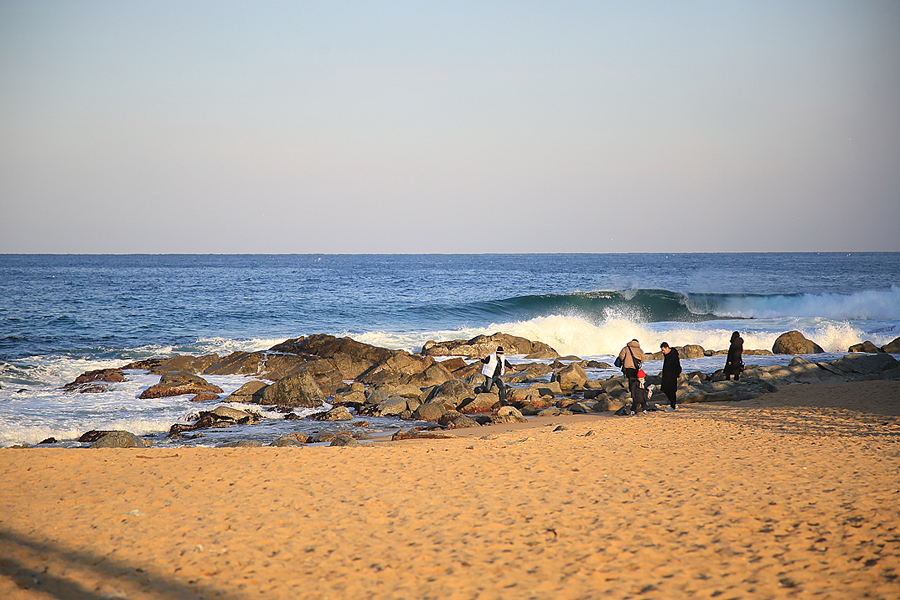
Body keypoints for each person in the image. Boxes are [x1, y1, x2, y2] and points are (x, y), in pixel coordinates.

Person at [617, 339, 645, 412]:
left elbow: (621, 356)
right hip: (635, 368)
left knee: (630, 380)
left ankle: (632, 393)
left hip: (627, 368)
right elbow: (643, 360)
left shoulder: (626, 348)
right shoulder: (640, 350)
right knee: (636, 380)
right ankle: (636, 393)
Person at [659, 342, 682, 410]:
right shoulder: (667, 355)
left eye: (663, 350)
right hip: (666, 375)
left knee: (671, 391)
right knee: (665, 390)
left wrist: (677, 374)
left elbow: (677, 365)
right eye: (662, 350)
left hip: (672, 376)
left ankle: (673, 406)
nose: (663, 352)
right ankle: (673, 403)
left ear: (667, 348)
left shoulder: (673, 355)